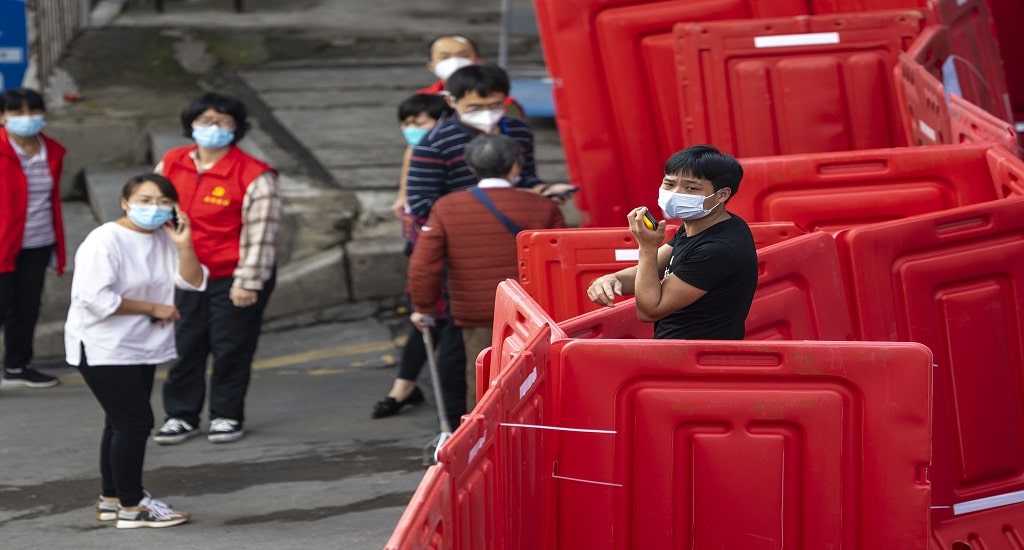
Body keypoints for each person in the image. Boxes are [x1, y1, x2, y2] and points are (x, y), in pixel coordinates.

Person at [67, 174, 204, 529]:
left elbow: (191, 281)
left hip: (138, 346)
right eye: (145, 200)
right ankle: (132, 505)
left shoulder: (163, 238)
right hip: (101, 346)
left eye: (163, 202)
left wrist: (184, 244)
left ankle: (112, 498)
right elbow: (93, 298)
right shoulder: (105, 240)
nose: (154, 209)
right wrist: (153, 308)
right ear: (125, 202)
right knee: (135, 422)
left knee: (119, 422)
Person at [152, 92, 281, 445]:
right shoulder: (172, 163)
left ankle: (226, 414)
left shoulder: (255, 175)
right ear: (191, 125)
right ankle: (181, 415)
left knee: (231, 348)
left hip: (234, 276)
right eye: (206, 121)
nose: (214, 128)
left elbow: (261, 237)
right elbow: (153, 211)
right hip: (185, 273)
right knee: (185, 345)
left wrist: (248, 282)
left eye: (224, 122)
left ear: (237, 128)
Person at [408, 134, 565, 419]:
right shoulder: (544, 207)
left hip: (478, 313)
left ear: (470, 167)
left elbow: (424, 264)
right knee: (536, 382)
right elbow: (559, 264)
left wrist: (424, 308)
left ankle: (485, 447)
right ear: (516, 167)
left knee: (483, 383)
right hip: (535, 314)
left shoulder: (447, 207)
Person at [586, 145, 758, 340]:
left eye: (691, 188)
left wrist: (647, 247)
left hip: (695, 358)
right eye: (669, 184)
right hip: (676, 351)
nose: (676, 193)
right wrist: (610, 280)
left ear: (722, 194)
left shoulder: (718, 249)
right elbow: (649, 271)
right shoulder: (696, 226)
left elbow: (650, 310)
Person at [405, 63, 575, 220]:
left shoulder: (519, 131)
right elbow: (421, 204)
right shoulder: (434, 144)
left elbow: (525, 176)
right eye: (475, 107)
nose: (486, 113)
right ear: (451, 101)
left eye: (495, 105)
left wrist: (544, 191)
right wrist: (496, 199)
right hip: (462, 228)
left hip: (511, 222)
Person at [373, 93, 452, 419]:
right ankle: (404, 386)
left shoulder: (446, 152)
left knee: (437, 318)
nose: (411, 130)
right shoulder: (416, 151)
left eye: (418, 122)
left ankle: (406, 388)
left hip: (446, 247)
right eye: (406, 124)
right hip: (422, 246)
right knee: (428, 316)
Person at [0, 87, 66, 389]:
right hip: (3, 243)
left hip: (38, 241)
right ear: (3, 117)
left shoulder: (51, 150)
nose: (26, 118)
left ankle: (17, 365)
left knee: (27, 307)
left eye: (33, 111)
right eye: (16, 112)